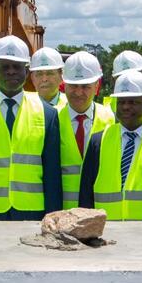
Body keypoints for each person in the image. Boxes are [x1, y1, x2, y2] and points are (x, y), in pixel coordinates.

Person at [0, 36, 62, 220]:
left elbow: (52, 176)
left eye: (16, 67)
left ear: (26, 70)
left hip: (32, 213)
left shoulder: (47, 114)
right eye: (5, 67)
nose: (11, 72)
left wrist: (52, 219)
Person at [79, 70, 142, 220]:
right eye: (121, 102)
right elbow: (86, 194)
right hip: (105, 232)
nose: (125, 107)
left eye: (133, 102)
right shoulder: (99, 140)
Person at [58, 51, 115, 209]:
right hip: (62, 212)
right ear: (63, 85)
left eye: (85, 87)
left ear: (97, 85)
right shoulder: (52, 120)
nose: (78, 92)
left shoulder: (111, 119)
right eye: (73, 86)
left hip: (100, 211)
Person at [104, 49, 142, 119]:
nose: (129, 81)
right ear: (114, 80)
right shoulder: (100, 113)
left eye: (135, 76)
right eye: (122, 78)